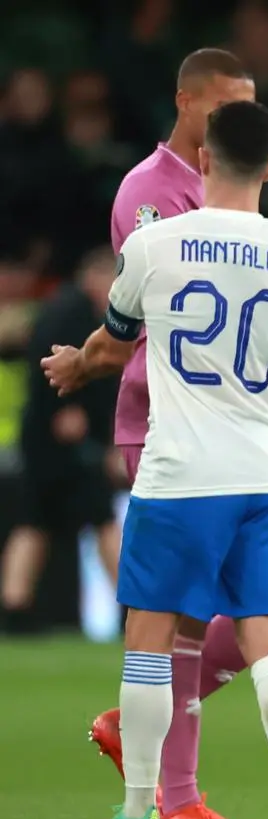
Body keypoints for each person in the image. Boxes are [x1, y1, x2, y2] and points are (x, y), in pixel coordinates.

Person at [50, 49, 268, 819]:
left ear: (206, 155)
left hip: (177, 462)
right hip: (256, 469)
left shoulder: (159, 245)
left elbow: (118, 338)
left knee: (155, 633)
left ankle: (141, 810)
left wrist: (79, 366)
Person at [2, 249, 123, 620]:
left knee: (33, 523)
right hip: (62, 443)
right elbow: (49, 364)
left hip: (46, 442)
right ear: (96, 277)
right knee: (100, 519)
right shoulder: (71, 312)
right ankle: (130, 605)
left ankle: (14, 607)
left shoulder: (67, 308)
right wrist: (64, 410)